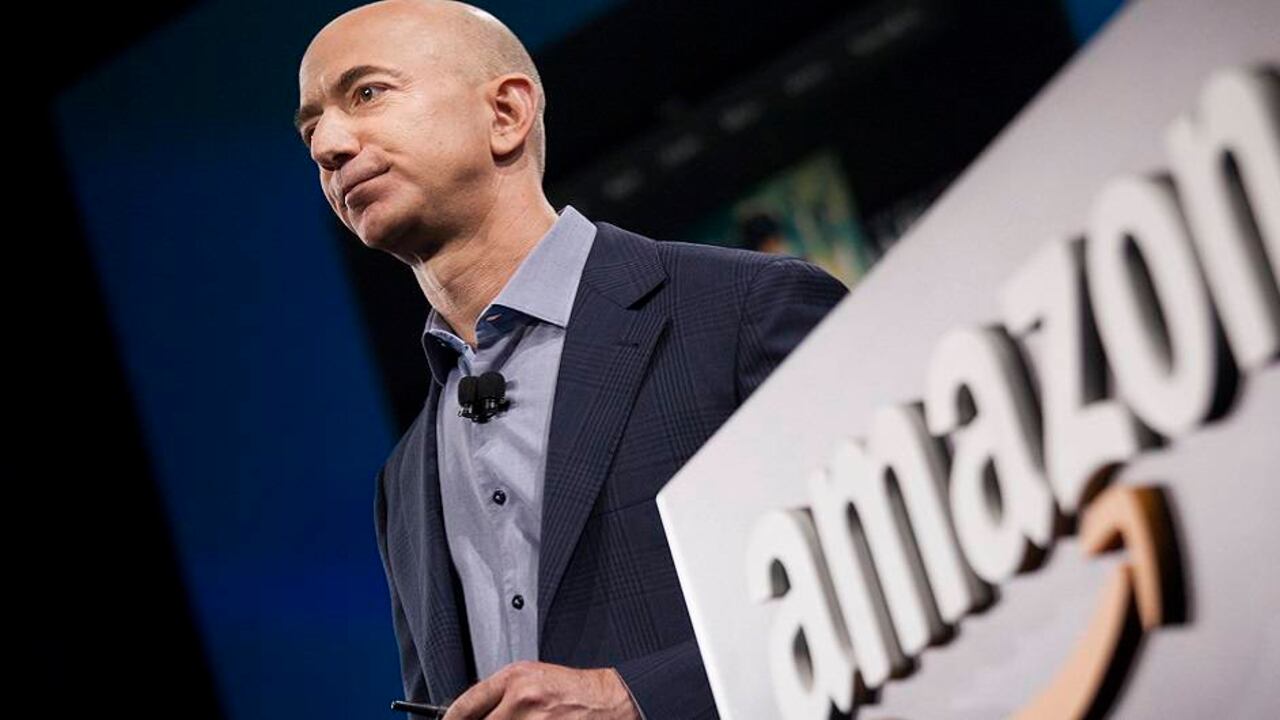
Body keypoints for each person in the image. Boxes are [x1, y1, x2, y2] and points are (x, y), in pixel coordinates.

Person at [295, 1, 849, 717]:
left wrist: (634, 700)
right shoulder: (402, 483)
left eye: (367, 93)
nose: (328, 145)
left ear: (506, 113)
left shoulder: (748, 309)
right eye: (311, 129)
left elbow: (884, 577)